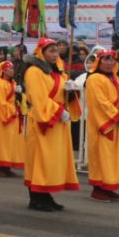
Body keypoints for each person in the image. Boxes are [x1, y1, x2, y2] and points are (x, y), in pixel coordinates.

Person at [23, 38, 81, 212]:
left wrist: (70, 93)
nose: (55, 54)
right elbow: (39, 97)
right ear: (41, 53)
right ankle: (36, 197)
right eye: (51, 51)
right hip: (43, 120)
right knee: (40, 160)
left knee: (51, 161)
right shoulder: (34, 71)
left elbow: (61, 95)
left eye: (56, 51)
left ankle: (46, 195)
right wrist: (57, 110)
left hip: (56, 120)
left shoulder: (58, 72)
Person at [83, 50, 119, 202]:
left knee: (113, 157)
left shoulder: (116, 79)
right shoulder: (94, 79)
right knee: (102, 156)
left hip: (116, 123)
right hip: (103, 124)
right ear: (99, 61)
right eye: (106, 60)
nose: (110, 63)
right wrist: (118, 116)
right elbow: (100, 102)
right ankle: (98, 188)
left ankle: (109, 186)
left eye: (112, 60)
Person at [0, 61, 23, 177]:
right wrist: (13, 110)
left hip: (12, 116)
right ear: (3, 70)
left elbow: (16, 101)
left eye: (12, 69)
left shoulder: (13, 83)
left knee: (10, 143)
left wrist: (19, 95)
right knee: (0, 142)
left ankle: (6, 167)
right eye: (9, 69)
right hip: (1, 116)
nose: (11, 71)